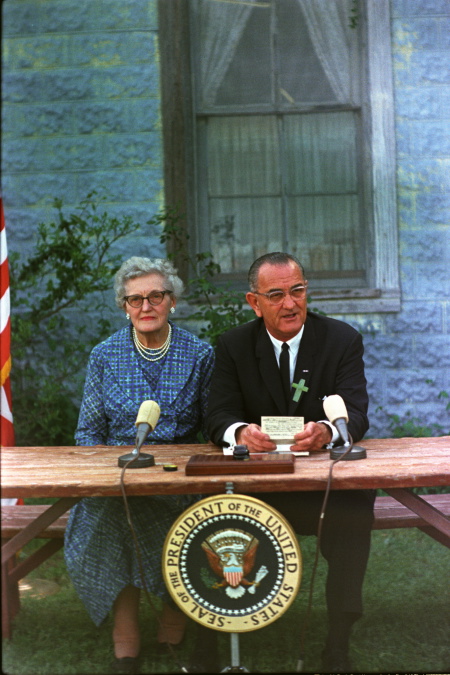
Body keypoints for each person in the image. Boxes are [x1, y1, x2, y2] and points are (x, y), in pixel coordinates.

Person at [206, 252, 375, 672]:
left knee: (357, 505)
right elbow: (216, 416)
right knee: (209, 507)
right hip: (257, 489)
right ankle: (213, 637)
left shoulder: (341, 340)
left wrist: (327, 430)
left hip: (321, 489)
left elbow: (356, 413)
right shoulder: (232, 346)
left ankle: (338, 642)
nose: (290, 304)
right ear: (253, 301)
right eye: (276, 294)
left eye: (297, 291)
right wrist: (240, 433)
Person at [64, 257, 214, 674]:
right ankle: (125, 626)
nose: (145, 306)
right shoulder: (104, 356)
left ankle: (174, 606)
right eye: (135, 299)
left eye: (155, 296)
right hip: (120, 474)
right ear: (124, 306)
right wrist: (105, 475)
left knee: (181, 510)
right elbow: (87, 433)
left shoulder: (200, 354)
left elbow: (212, 430)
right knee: (108, 510)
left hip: (178, 477)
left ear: (172, 301)